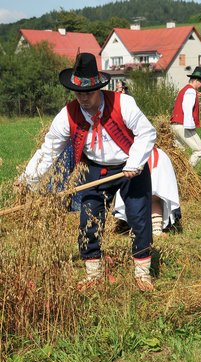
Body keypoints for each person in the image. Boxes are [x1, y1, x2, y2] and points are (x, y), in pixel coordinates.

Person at [17, 53, 156, 291]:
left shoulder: (123, 104)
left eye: (87, 93)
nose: (82, 98)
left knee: (138, 218)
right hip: (96, 169)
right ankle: (94, 275)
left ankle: (142, 275)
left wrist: (134, 163)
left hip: (130, 167)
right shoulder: (67, 114)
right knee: (89, 220)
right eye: (78, 93)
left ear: (99, 89)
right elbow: (49, 149)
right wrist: (27, 180)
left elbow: (147, 133)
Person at [113, 147, 181, 236]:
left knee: (143, 198)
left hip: (140, 158)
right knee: (146, 198)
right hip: (137, 157)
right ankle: (143, 228)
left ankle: (149, 228)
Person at [170, 66, 201, 167]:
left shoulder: (184, 90)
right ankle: (187, 174)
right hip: (183, 125)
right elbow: (187, 107)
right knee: (199, 151)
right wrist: (190, 126)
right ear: (196, 80)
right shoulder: (190, 91)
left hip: (175, 125)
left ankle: (176, 174)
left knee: (179, 152)